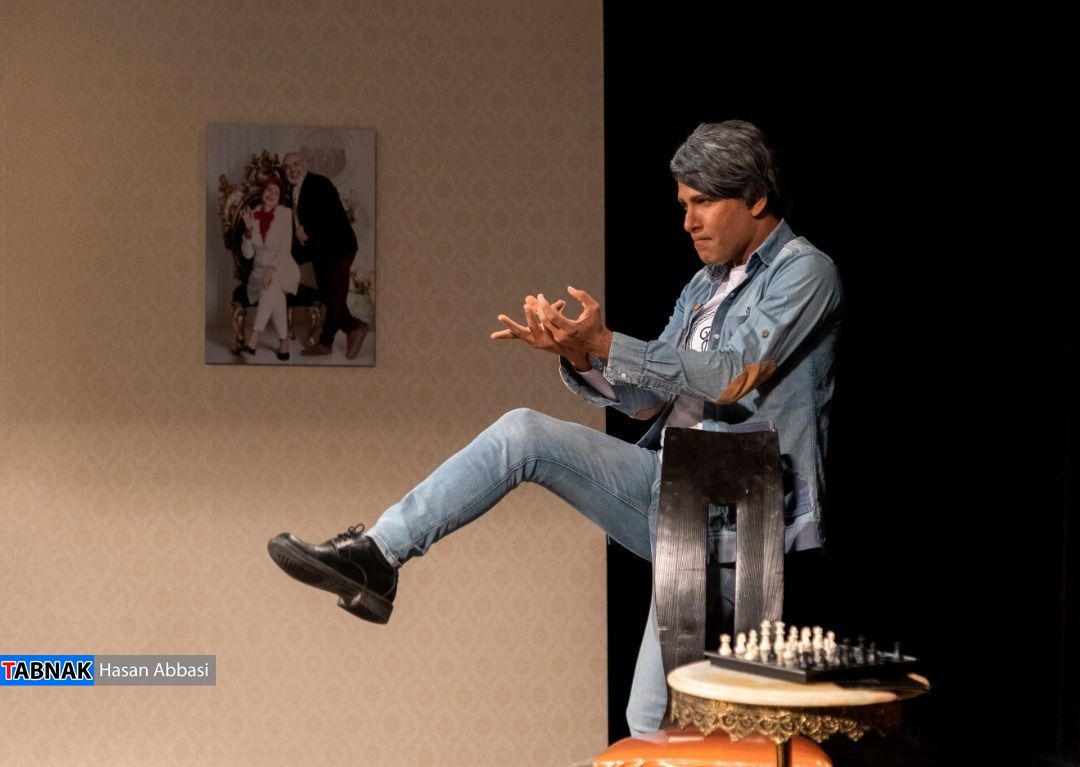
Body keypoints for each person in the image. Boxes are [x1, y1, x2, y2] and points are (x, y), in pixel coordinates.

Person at [267, 120, 843, 734]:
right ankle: (377, 556)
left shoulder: (805, 273)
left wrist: (609, 342)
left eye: (703, 203)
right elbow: (647, 400)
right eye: (683, 206)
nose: (689, 223)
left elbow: (733, 375)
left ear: (755, 198)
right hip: (669, 484)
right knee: (522, 432)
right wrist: (580, 354)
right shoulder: (705, 286)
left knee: (652, 723)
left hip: (735, 514)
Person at [282, 151, 369, 359]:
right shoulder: (294, 190)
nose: (292, 169)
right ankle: (326, 342)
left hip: (339, 248)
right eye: (287, 166)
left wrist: (306, 231)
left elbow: (329, 215)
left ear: (305, 164)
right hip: (322, 251)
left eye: (295, 164)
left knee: (331, 297)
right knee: (332, 297)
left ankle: (354, 327)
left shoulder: (319, 183)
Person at [239, 176, 300, 361]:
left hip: (282, 267)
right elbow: (248, 254)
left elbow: (286, 248)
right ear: (262, 191)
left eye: (276, 192)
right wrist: (248, 231)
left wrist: (272, 268)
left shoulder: (285, 214)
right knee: (274, 292)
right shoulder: (252, 215)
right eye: (268, 190)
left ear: (280, 198)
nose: (271, 194)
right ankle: (284, 341)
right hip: (258, 272)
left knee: (272, 284)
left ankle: (254, 337)